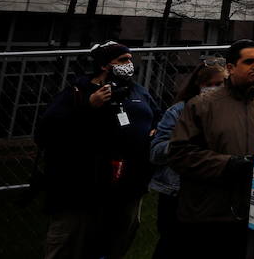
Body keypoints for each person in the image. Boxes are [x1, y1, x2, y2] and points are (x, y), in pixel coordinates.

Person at [36, 41, 162, 259]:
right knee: (72, 243)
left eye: (131, 59)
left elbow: (157, 116)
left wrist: (155, 131)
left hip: (128, 185)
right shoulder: (78, 92)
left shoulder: (137, 91)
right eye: (123, 60)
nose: (129, 64)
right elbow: (48, 132)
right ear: (105, 65)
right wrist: (88, 107)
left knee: (116, 241)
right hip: (83, 186)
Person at [168, 39, 254, 257]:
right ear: (230, 68)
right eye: (249, 62)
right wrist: (229, 164)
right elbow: (179, 154)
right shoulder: (201, 105)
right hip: (211, 213)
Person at [149, 59, 226, 259]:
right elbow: (156, 152)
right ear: (198, 85)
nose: (216, 89)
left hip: (213, 192)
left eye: (221, 84)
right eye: (211, 85)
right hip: (178, 191)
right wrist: (184, 142)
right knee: (173, 243)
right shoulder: (178, 111)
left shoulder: (230, 112)